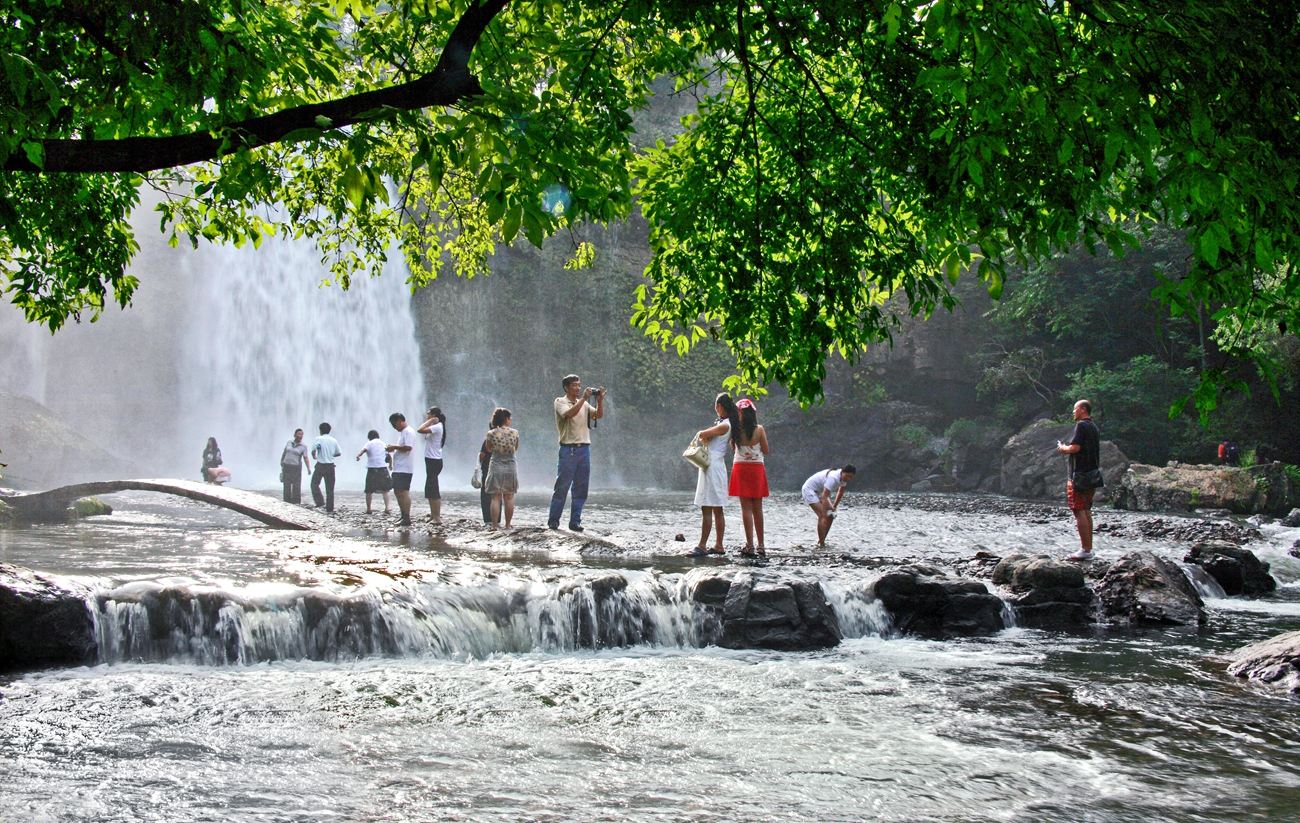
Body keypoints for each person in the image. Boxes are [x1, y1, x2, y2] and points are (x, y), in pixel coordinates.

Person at [548, 374, 605, 532]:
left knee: (581, 488)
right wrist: (584, 399)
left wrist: (599, 401)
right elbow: (570, 414)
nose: (578, 388)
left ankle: (575, 522)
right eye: (574, 385)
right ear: (566, 387)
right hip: (569, 449)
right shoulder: (560, 401)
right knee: (562, 487)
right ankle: (553, 522)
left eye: (579, 385)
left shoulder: (584, 404)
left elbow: (598, 415)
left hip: (584, 449)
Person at [686, 393, 739, 557]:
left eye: (716, 406)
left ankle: (702, 545)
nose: (715, 409)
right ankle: (718, 545)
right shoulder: (725, 424)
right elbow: (706, 437)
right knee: (716, 508)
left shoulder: (725, 425)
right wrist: (706, 436)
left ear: (721, 406)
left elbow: (702, 434)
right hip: (714, 466)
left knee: (709, 507)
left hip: (712, 467)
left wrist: (705, 435)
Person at [1056, 399, 1100, 561]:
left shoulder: (1081, 426)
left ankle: (1085, 550)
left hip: (1079, 475)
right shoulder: (1094, 427)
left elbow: (1075, 448)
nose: (1073, 412)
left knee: (1078, 509)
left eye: (1075, 409)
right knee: (1086, 509)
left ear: (1082, 409)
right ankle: (1089, 548)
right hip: (1092, 474)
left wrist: (1062, 448)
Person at [729, 398, 771, 557]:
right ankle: (761, 545)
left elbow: (733, 448)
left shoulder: (735, 429)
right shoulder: (759, 429)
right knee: (757, 508)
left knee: (745, 508)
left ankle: (750, 545)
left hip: (740, 468)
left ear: (740, 413)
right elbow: (766, 450)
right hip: (756, 468)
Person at [802, 464, 857, 548]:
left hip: (819, 492)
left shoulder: (844, 479)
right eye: (847, 476)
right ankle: (821, 544)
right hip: (809, 490)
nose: (848, 479)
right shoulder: (833, 477)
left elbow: (840, 492)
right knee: (823, 516)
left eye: (851, 477)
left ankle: (821, 541)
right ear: (842, 472)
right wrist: (830, 508)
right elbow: (825, 495)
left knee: (830, 516)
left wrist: (834, 506)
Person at [484, 407, 520, 529]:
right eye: (510, 418)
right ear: (506, 419)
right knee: (509, 496)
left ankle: (494, 525)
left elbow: (488, 448)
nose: (511, 420)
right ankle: (508, 525)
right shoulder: (515, 432)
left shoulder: (491, 433)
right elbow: (516, 448)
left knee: (495, 497)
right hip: (511, 465)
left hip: (496, 465)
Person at [386, 412, 418, 527]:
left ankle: (407, 518)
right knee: (398, 492)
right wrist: (393, 449)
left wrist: (394, 447)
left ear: (400, 420)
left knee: (403, 492)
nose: (394, 428)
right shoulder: (403, 433)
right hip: (399, 467)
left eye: (395, 425)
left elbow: (408, 448)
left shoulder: (408, 431)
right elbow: (402, 448)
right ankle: (403, 516)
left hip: (404, 468)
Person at [417, 406, 447, 524]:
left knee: (433, 489)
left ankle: (437, 518)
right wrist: (431, 420)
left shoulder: (437, 427)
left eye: (428, 414)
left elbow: (419, 430)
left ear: (434, 415)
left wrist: (431, 420)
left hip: (434, 461)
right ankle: (433, 515)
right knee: (430, 489)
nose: (427, 415)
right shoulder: (436, 427)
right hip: (431, 460)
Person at [355, 429, 392, 514]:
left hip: (372, 469)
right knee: (385, 490)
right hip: (382, 468)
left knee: (369, 490)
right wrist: (390, 465)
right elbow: (388, 455)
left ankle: (368, 509)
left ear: (369, 437)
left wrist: (358, 455)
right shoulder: (383, 443)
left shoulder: (369, 443)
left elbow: (364, 450)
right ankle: (387, 508)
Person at [310, 422, 342, 513]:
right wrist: (330, 455)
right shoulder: (334, 440)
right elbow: (339, 453)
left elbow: (313, 450)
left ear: (320, 430)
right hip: (330, 466)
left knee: (314, 484)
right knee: (330, 488)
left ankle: (320, 502)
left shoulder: (318, 439)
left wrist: (314, 456)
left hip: (320, 465)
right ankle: (330, 508)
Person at [278, 428, 311, 503]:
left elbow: (305, 457)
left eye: (302, 434)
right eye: (299, 434)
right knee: (286, 484)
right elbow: (285, 452)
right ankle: (286, 501)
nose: (301, 436)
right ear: (295, 435)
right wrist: (281, 461)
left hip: (296, 467)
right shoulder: (289, 442)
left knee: (296, 485)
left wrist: (308, 468)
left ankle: (296, 502)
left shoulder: (303, 446)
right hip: (286, 466)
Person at [478, 414, 498, 526]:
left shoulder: (488, 439)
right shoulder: (503, 438)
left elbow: (482, 455)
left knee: (486, 494)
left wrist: (480, 463)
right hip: (499, 469)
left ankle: (488, 519)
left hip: (487, 468)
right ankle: (497, 519)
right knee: (497, 495)